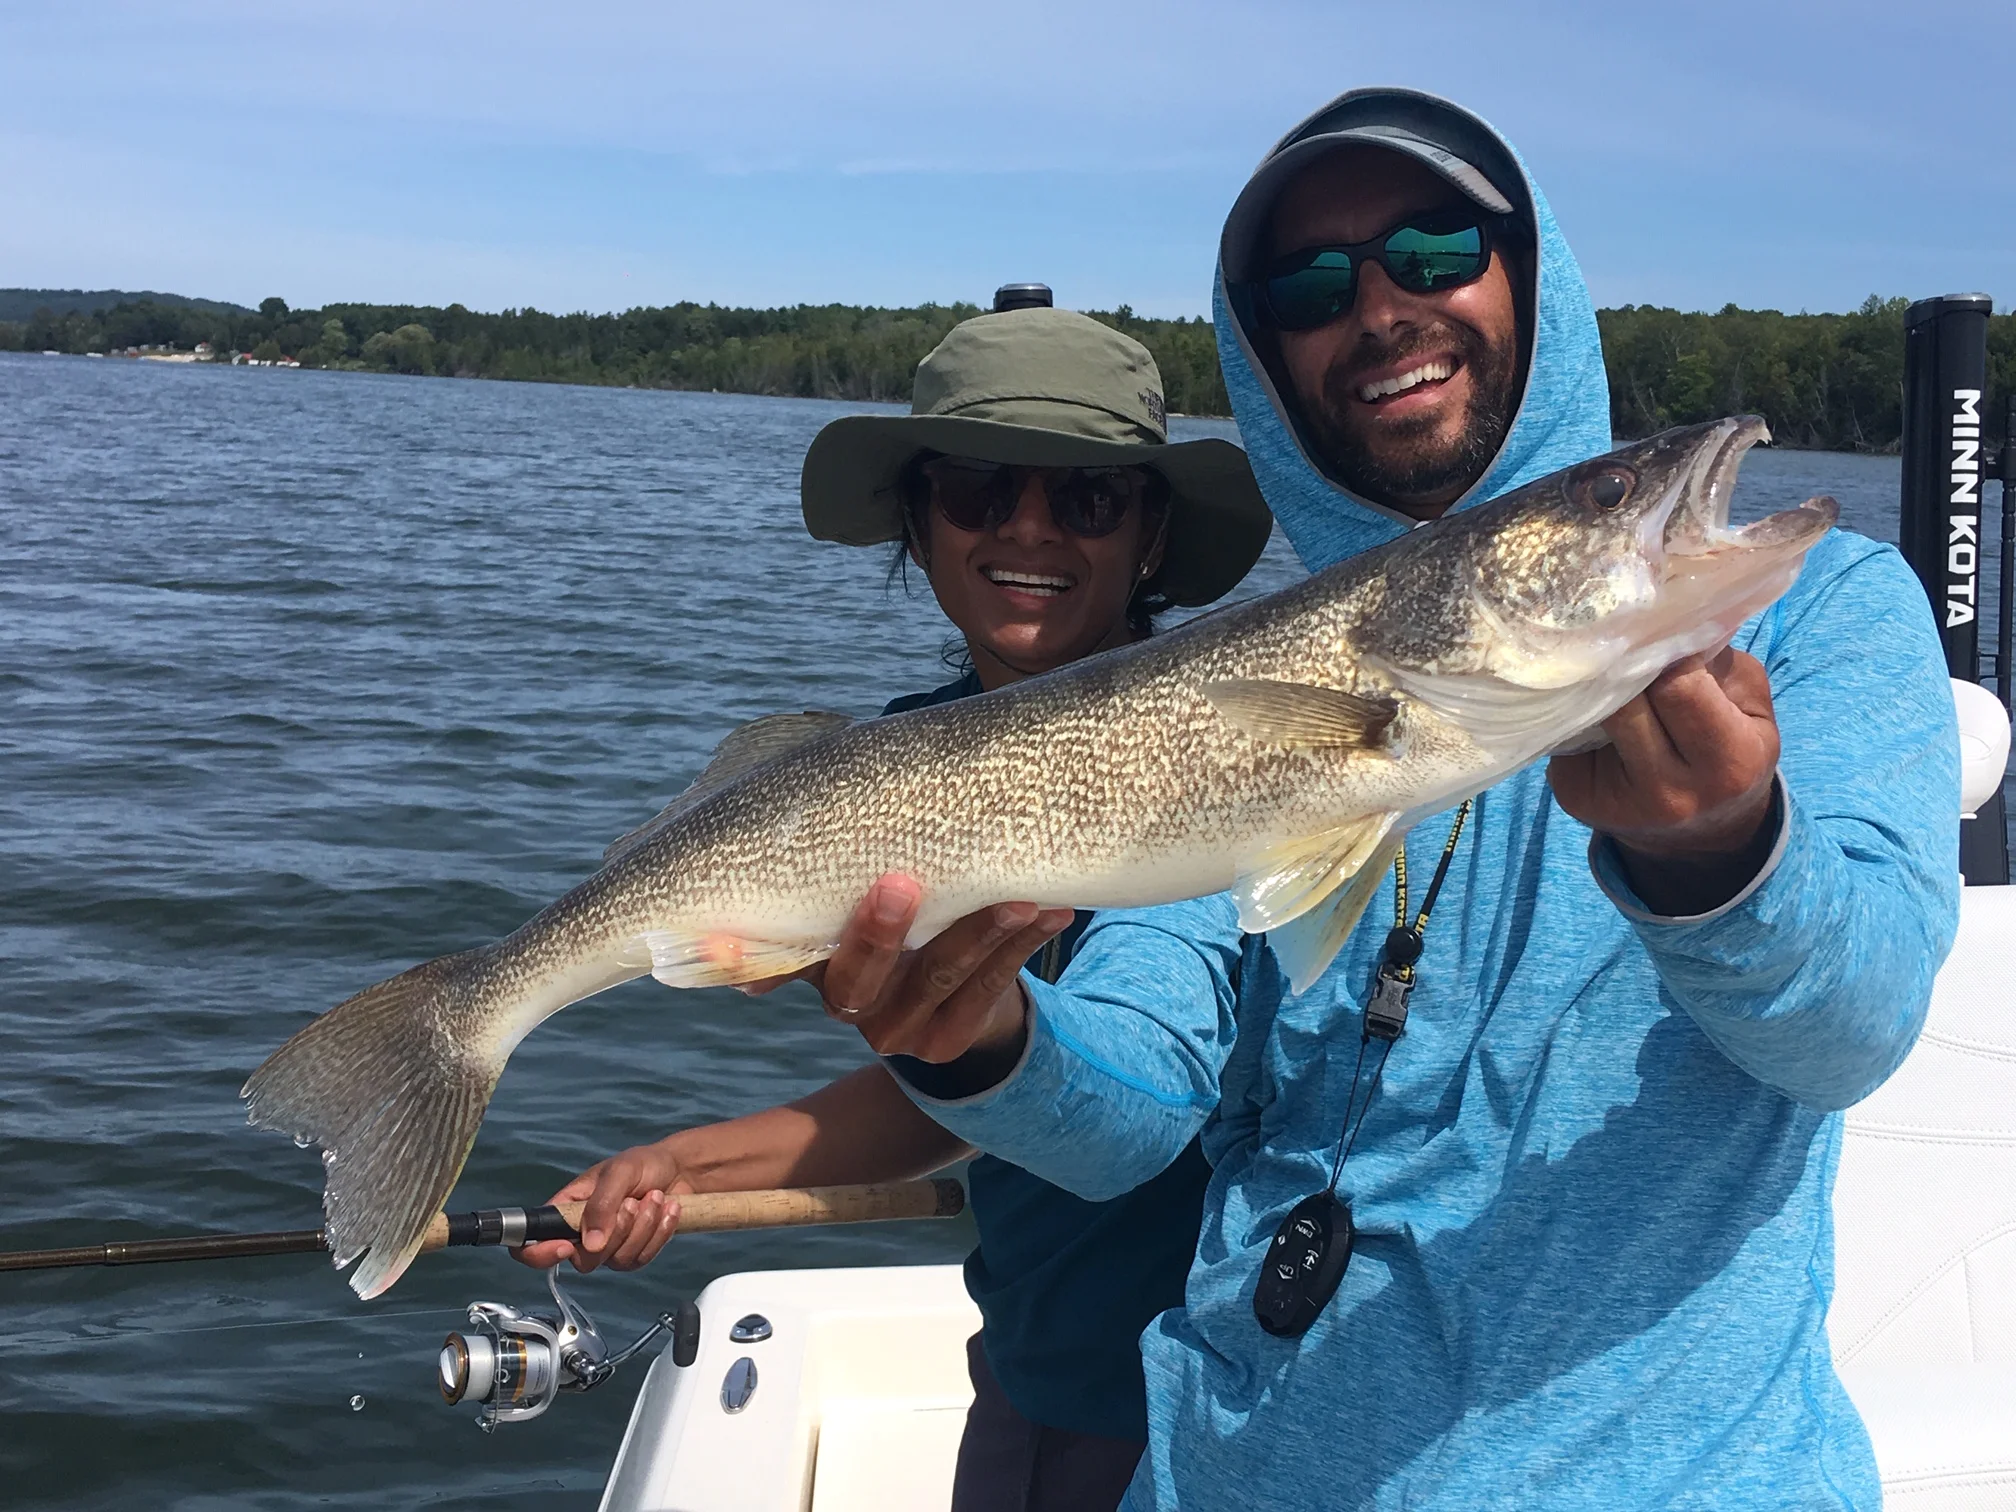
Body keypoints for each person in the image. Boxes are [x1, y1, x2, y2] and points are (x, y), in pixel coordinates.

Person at [774, 89, 1961, 1507]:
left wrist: (1720, 850)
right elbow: (1135, 1103)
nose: (1385, 309)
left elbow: (1855, 1028)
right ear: (1268, 359)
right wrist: (980, 1041)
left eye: (1437, 247)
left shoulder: (1821, 613)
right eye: (1312, 286)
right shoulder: (1244, 682)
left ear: (1532, 274)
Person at [516, 297, 1273, 1511]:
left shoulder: (1219, 741)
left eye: (1087, 497)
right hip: (1034, 1372)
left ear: (1149, 533)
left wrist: (979, 1038)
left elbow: (1134, 1074)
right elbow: (952, 1085)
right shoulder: (893, 763)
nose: (1028, 527)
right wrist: (682, 1168)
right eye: (978, 489)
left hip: (1204, 1402)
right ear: (919, 526)